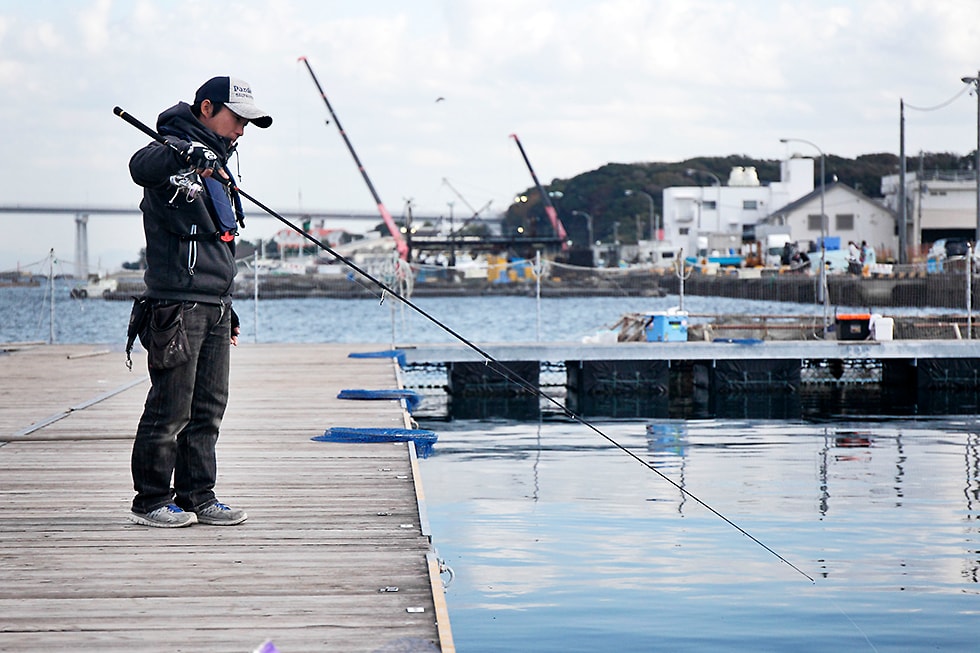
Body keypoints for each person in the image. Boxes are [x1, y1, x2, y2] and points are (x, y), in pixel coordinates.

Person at [127, 76, 272, 528]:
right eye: (237, 120)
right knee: (171, 406)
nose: (241, 131)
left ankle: (198, 496)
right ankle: (150, 500)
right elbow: (140, 164)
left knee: (209, 408)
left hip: (214, 303)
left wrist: (229, 304)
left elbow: (220, 243)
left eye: (248, 124)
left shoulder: (222, 166)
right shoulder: (170, 148)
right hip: (176, 304)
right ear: (207, 109)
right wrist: (184, 152)